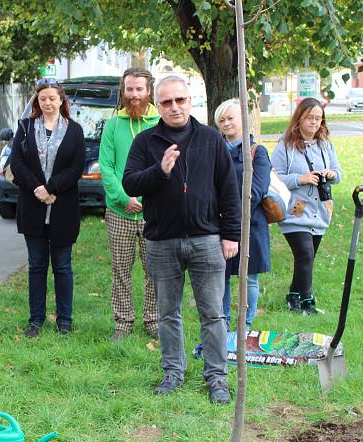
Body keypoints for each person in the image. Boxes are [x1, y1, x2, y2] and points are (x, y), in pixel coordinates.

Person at [123, 76, 240, 403]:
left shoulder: (211, 139)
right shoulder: (146, 142)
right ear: (156, 106)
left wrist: (231, 234)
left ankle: (217, 377)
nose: (174, 107)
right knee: (168, 313)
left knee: (213, 313)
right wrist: (159, 170)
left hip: (206, 239)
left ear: (190, 101)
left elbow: (229, 190)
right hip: (162, 241)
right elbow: (131, 184)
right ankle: (173, 371)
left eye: (180, 100)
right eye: (166, 102)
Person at [9, 80, 85, 337]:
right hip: (33, 207)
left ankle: (64, 319)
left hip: (63, 208)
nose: (48, 103)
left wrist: (52, 187)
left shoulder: (74, 130)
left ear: (61, 100)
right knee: (37, 266)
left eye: (52, 98)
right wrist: (38, 189)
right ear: (37, 102)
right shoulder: (26, 127)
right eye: (43, 99)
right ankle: (36, 320)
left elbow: (76, 167)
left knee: (63, 266)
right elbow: (16, 163)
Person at [99, 68, 160, 341]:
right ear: (123, 92)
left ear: (149, 91)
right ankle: (123, 323)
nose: (134, 95)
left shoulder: (161, 123)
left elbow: (166, 167)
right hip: (120, 212)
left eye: (139, 89)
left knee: (155, 271)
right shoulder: (113, 125)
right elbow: (107, 167)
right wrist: (125, 199)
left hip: (155, 212)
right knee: (121, 270)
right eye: (129, 89)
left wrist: (146, 199)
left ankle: (154, 321)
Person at [270, 97, 341, 315]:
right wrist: (301, 178)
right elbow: (274, 176)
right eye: (309, 117)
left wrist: (331, 174)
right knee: (305, 254)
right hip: (295, 210)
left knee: (307, 258)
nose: (314, 122)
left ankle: (293, 295)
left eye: (318, 118)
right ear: (299, 118)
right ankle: (308, 302)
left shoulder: (325, 145)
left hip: (319, 210)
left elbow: (339, 174)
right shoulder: (285, 145)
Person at [214, 98, 271, 331]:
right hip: (219, 224)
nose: (226, 123)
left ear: (243, 120)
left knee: (249, 278)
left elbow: (258, 188)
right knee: (222, 276)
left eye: (231, 118)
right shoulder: (215, 151)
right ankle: (224, 323)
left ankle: (245, 326)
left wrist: (233, 210)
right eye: (222, 120)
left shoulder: (257, 152)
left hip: (251, 224)